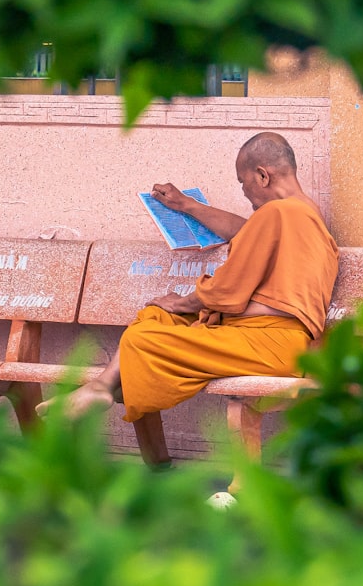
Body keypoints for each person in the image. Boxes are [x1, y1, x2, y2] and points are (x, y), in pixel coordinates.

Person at [36, 132, 339, 449]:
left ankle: (105, 388)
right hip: (273, 342)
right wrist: (186, 206)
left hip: (271, 344)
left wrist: (184, 302)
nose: (244, 191)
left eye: (242, 182)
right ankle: (103, 387)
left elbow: (226, 292)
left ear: (263, 175)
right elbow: (246, 232)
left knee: (145, 336)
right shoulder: (301, 215)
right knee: (155, 316)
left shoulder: (279, 213)